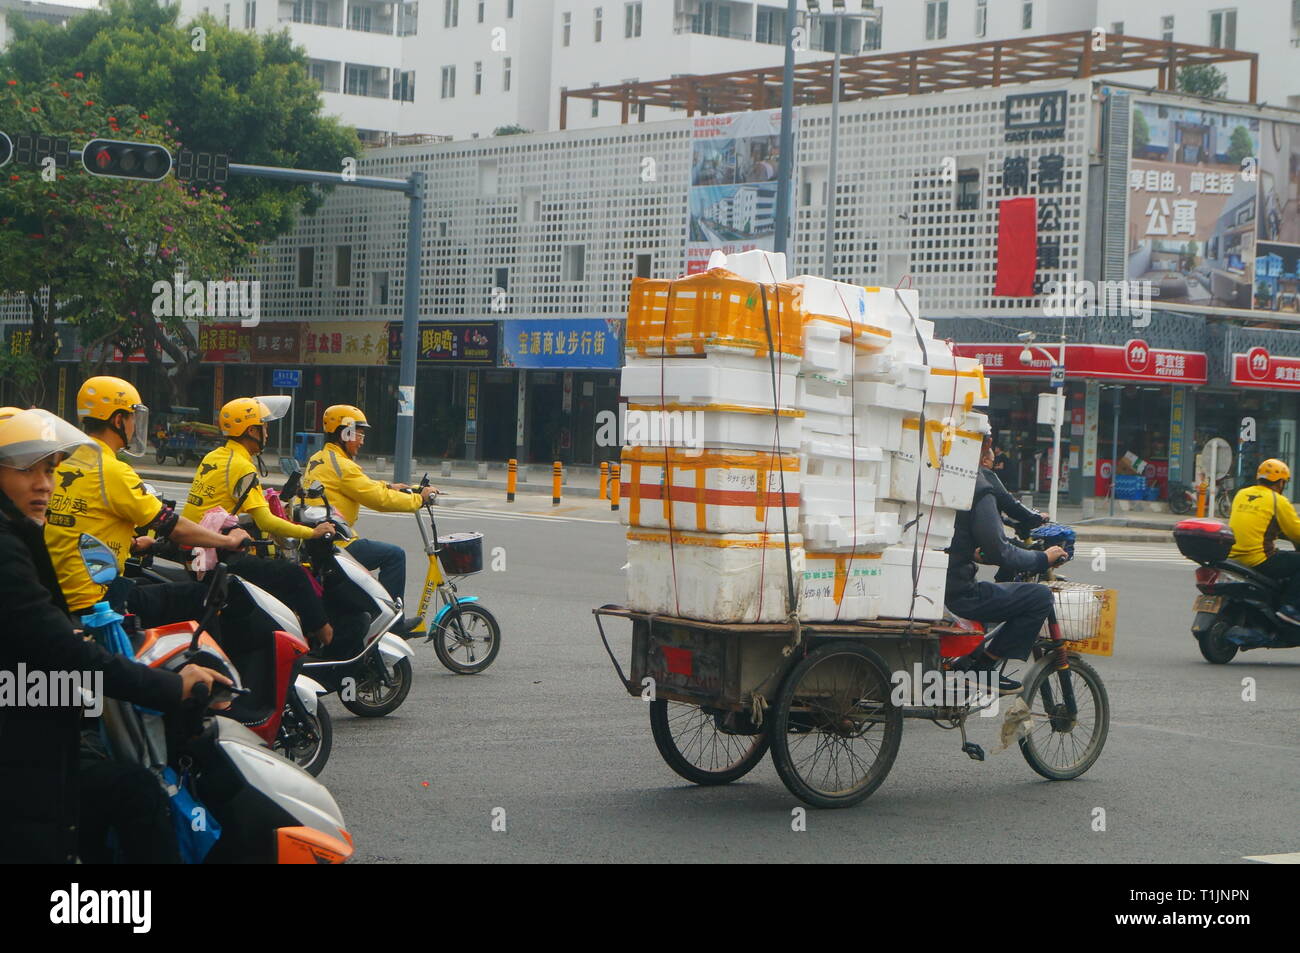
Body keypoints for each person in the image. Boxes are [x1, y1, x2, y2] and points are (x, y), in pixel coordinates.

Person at [0, 407, 230, 864]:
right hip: (26, 739)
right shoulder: (13, 542)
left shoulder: (22, 531)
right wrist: (169, 686)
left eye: (48, 469)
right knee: (136, 793)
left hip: (64, 656)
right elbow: (55, 648)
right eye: (27, 470)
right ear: (121, 418)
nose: (44, 483)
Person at [43, 377, 253, 631]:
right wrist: (228, 541)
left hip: (63, 592)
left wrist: (131, 544)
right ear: (118, 420)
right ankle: (212, 668)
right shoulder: (112, 470)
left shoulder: (63, 462)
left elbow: (80, 523)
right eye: (132, 417)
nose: (134, 426)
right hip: (97, 599)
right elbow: (172, 526)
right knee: (201, 597)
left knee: (146, 583)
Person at [182, 397, 336, 647]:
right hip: (216, 555)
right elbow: (265, 521)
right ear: (251, 431)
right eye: (264, 427)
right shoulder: (242, 466)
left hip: (196, 550)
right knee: (294, 575)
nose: (267, 433)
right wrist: (312, 533)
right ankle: (327, 639)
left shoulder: (216, 456)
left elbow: (220, 503)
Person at [945, 437, 1069, 689]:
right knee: (1039, 597)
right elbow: (1001, 550)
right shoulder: (980, 487)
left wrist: (972, 554)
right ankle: (982, 666)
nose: (992, 457)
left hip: (931, 584)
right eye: (988, 449)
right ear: (980, 452)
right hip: (957, 593)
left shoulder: (939, 478)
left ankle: (964, 660)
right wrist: (1042, 558)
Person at [305, 404, 438, 630]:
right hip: (338, 544)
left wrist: (391, 486)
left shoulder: (321, 458)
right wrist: (419, 499)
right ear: (344, 432)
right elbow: (377, 499)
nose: (361, 440)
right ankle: (394, 626)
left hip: (321, 540)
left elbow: (365, 485)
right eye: (358, 433)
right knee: (394, 555)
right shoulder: (343, 466)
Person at [1226, 458, 1300, 625]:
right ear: (1280, 482)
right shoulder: (1278, 500)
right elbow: (1296, 532)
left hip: (1232, 556)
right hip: (1259, 559)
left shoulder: (1241, 494)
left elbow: (1253, 522)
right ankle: (1291, 609)